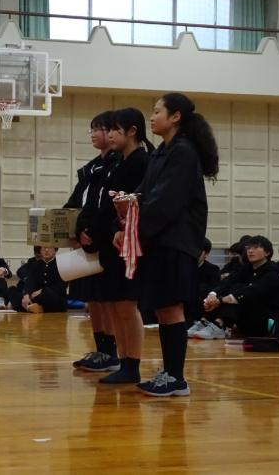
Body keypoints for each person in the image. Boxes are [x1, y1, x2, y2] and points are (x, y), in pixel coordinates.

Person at [114, 92, 218, 397]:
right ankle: (169, 373)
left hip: (175, 241)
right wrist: (126, 204)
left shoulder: (183, 152)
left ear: (175, 117)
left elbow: (165, 201)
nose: (152, 116)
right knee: (162, 309)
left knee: (171, 308)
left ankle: (176, 378)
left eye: (158, 111)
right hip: (159, 241)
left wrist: (134, 229)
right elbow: (146, 192)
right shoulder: (163, 151)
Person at [84, 108, 152, 384]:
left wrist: (118, 229)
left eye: (115, 129)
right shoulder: (120, 162)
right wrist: (109, 229)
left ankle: (132, 364)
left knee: (126, 306)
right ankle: (123, 361)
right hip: (113, 241)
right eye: (108, 129)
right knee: (115, 305)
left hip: (130, 243)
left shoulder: (141, 161)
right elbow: (109, 206)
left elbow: (136, 203)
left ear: (132, 131)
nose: (109, 135)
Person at [65, 111, 120, 372]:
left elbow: (108, 207)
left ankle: (113, 353)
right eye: (92, 129)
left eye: (98, 129)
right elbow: (77, 203)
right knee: (94, 300)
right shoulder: (90, 168)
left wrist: (95, 233)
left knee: (108, 300)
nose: (94, 134)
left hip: (107, 242)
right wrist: (76, 230)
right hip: (87, 242)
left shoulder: (119, 165)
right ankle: (101, 350)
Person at [198, 236, 279, 339]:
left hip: (266, 320)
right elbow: (227, 282)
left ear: (267, 252)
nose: (250, 251)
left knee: (240, 292)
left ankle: (219, 324)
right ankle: (208, 322)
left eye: (255, 247)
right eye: (248, 248)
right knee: (232, 288)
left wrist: (221, 300)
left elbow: (253, 291)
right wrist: (212, 295)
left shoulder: (273, 271)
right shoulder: (247, 268)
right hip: (247, 317)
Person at [8, 246, 67, 313]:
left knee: (49, 294)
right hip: (36, 297)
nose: (46, 250)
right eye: (44, 248)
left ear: (55, 250)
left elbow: (61, 286)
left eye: (49, 248)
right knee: (12, 290)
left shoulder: (62, 265)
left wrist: (42, 291)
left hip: (51, 296)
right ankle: (32, 307)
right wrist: (27, 294)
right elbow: (30, 281)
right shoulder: (36, 264)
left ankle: (27, 307)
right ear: (40, 250)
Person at [186, 237, 221, 331]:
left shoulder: (213, 269)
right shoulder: (183, 268)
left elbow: (214, 289)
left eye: (198, 251)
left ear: (206, 254)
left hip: (202, 308)